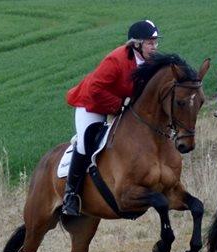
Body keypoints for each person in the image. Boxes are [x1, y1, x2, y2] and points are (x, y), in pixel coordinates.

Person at [62, 19, 160, 216]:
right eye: (150, 42)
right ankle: (71, 195)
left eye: (155, 42)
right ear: (137, 44)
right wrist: (118, 105)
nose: (155, 47)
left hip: (118, 106)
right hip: (91, 103)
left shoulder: (150, 62)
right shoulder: (116, 60)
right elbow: (95, 89)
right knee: (84, 143)